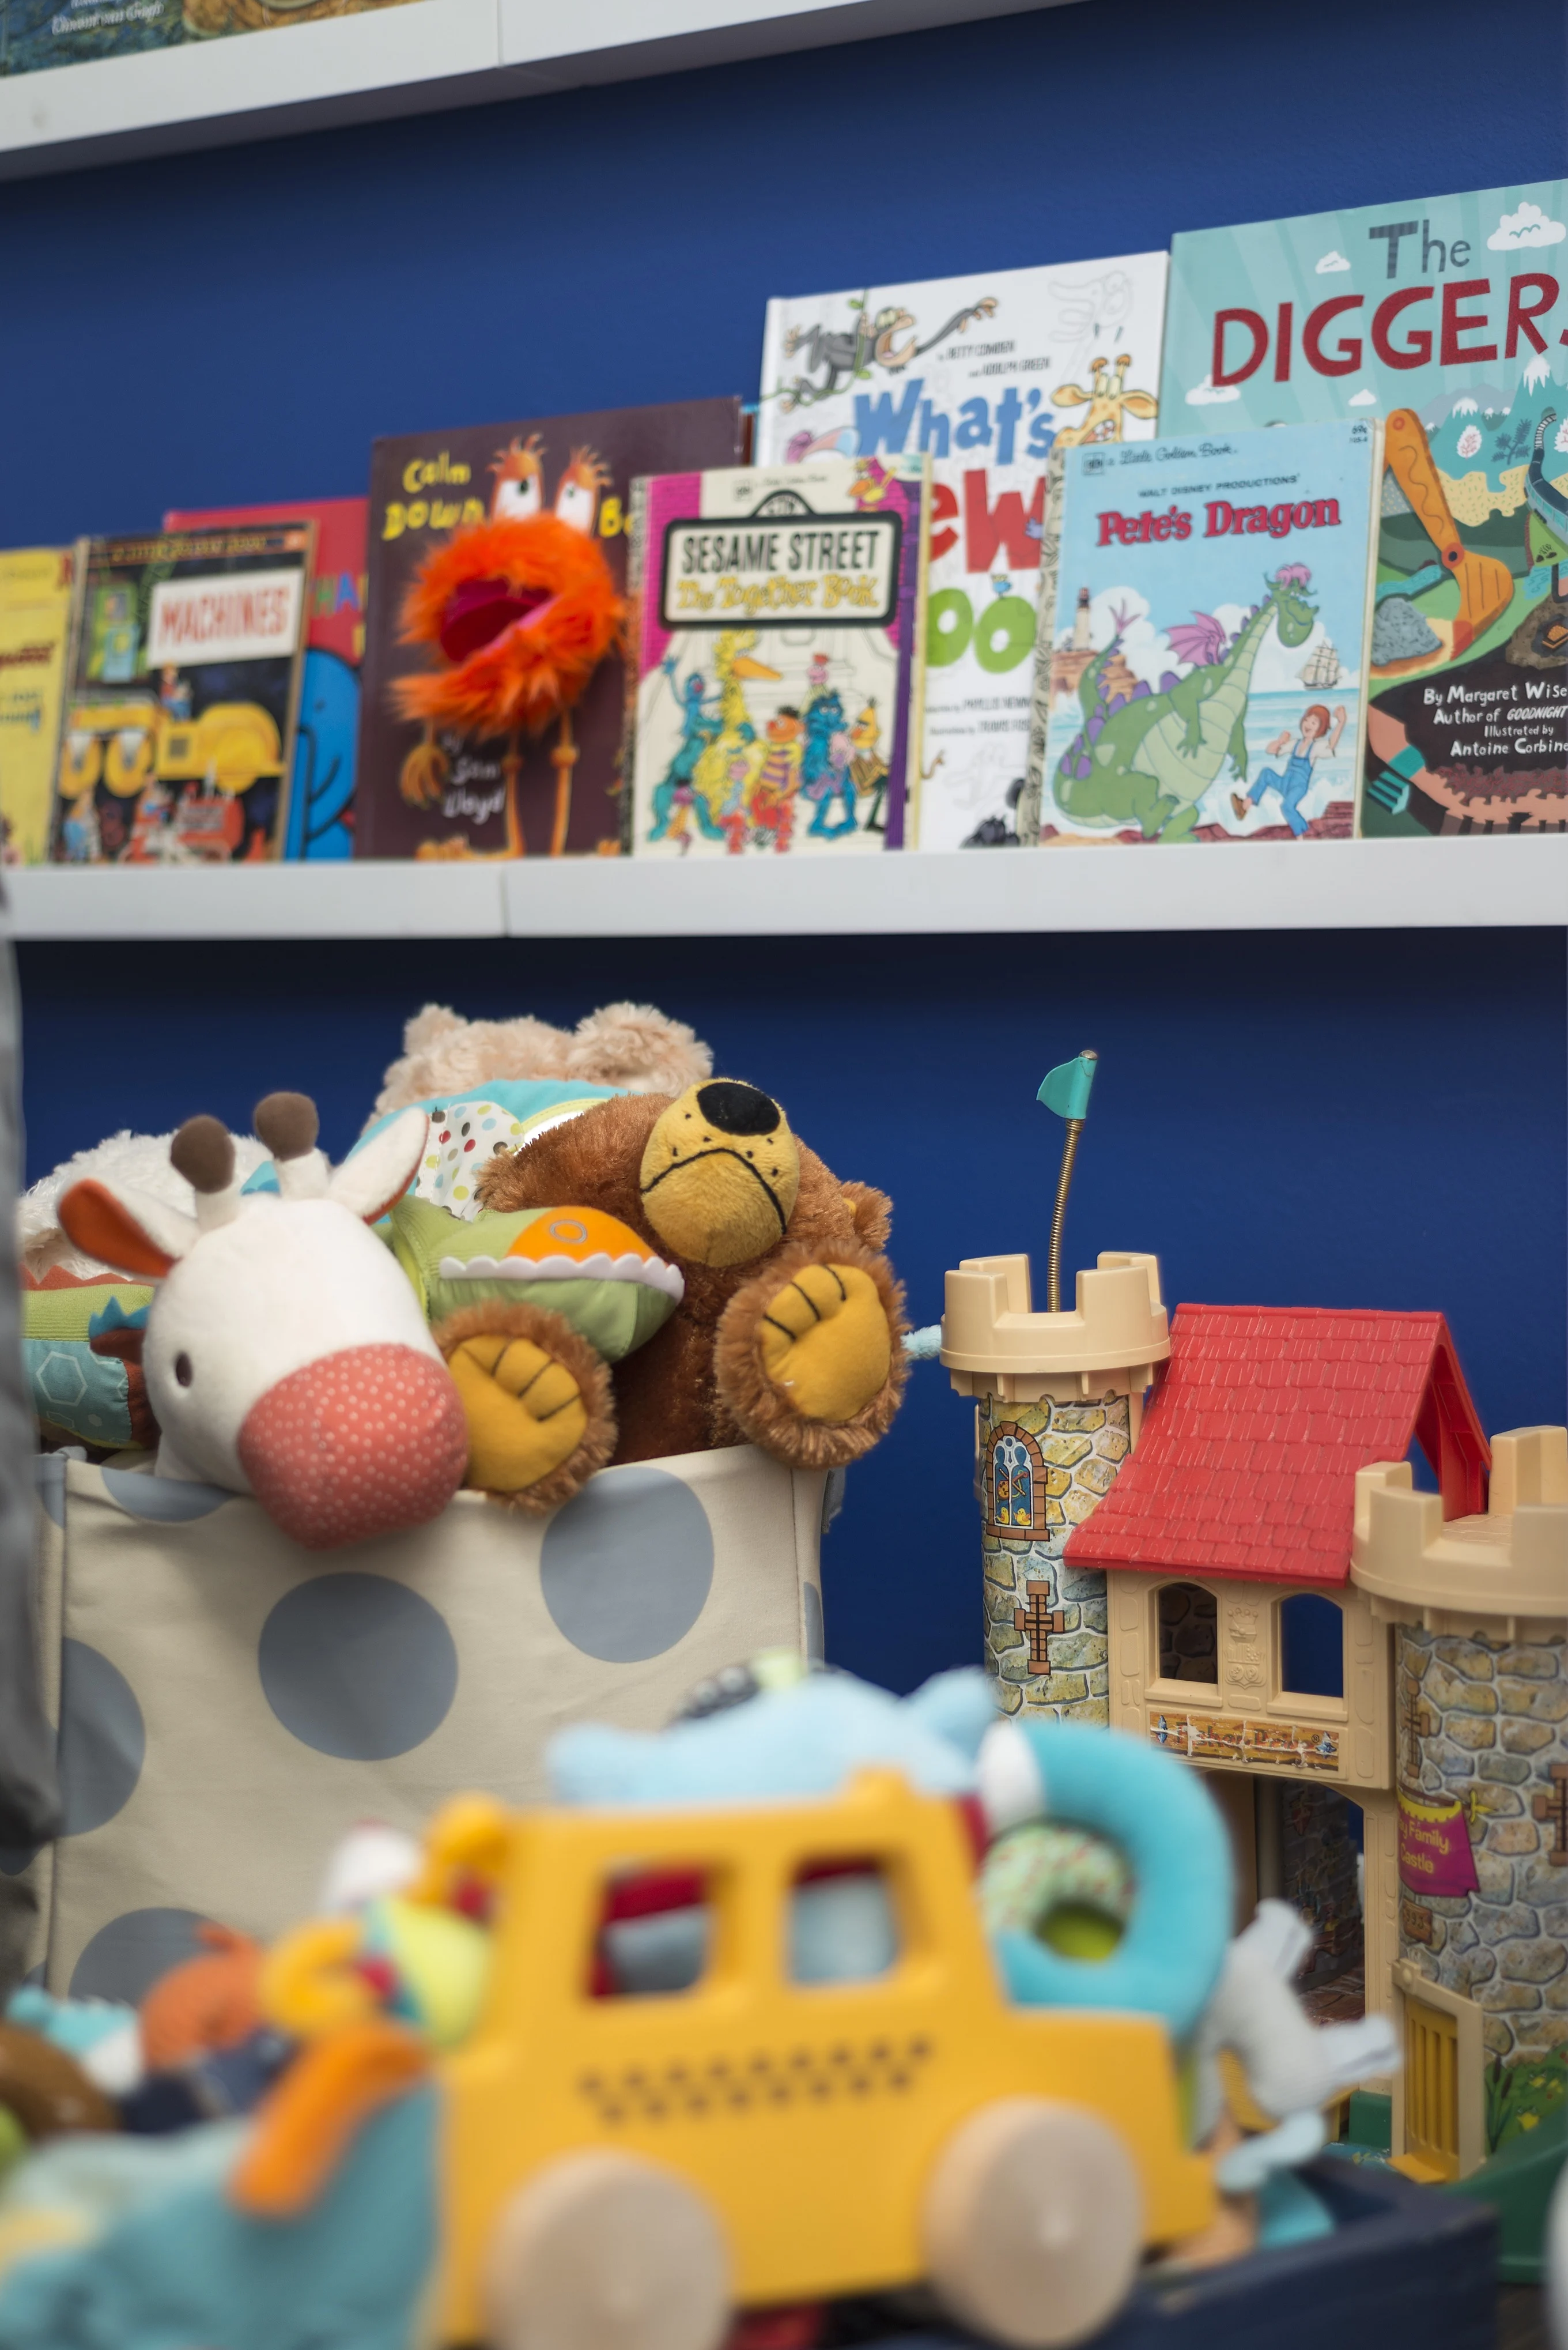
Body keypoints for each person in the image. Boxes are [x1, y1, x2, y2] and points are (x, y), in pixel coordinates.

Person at [1232, 702, 1344, 838]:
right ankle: (1244, 806)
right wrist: (1280, 741)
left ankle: (1301, 837)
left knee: (1286, 807)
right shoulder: (1295, 744)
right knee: (1267, 773)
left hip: (1298, 788)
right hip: (1285, 783)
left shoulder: (1315, 748)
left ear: (1320, 729)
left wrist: (1341, 722)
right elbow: (1270, 750)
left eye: (1314, 723)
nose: (1308, 724)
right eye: (1307, 720)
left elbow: (1331, 745)